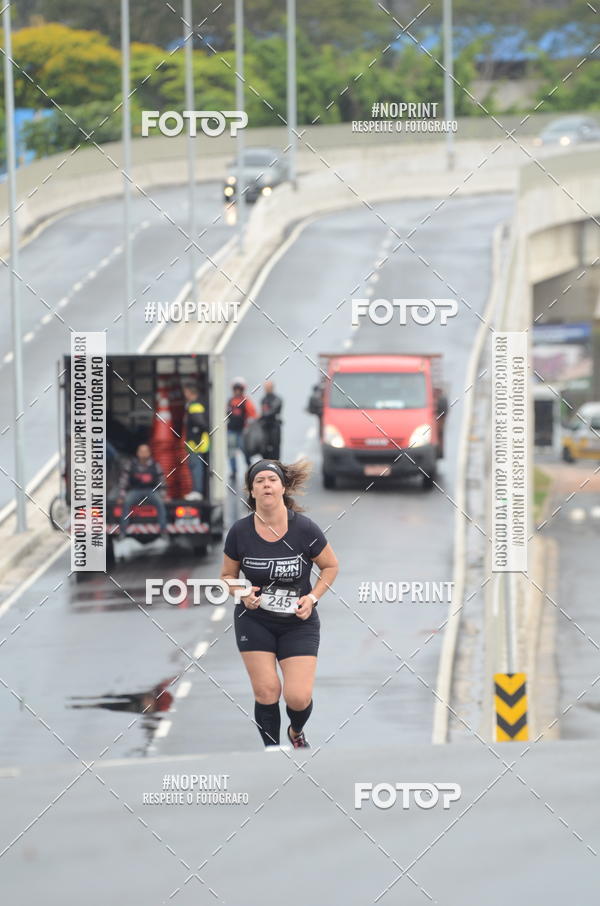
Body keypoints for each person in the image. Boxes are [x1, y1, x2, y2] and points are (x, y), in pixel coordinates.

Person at [220, 459, 339, 749]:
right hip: (255, 619)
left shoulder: (304, 529)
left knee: (297, 696)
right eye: (259, 481)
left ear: (282, 487)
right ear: (251, 491)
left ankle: (295, 731)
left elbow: (331, 567)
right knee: (267, 690)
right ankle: (273, 751)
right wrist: (242, 594)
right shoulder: (240, 532)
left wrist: (312, 598)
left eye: (271, 480)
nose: (266, 485)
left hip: (298, 623)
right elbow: (226, 576)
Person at [118, 443, 167, 538]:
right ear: (137, 453)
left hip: (151, 491)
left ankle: (163, 531)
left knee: (160, 503)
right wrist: (122, 496)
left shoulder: (155, 465)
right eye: (141, 451)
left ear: (149, 453)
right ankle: (123, 531)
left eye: (145, 451)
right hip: (135, 490)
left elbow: (162, 480)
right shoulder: (131, 464)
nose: (143, 453)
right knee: (127, 502)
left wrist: (163, 495)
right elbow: (123, 480)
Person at [182, 383, 210, 501]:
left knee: (195, 466)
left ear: (189, 392)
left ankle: (197, 492)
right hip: (198, 442)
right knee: (196, 466)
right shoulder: (199, 403)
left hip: (196, 443)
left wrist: (195, 436)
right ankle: (197, 491)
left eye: (185, 392)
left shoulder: (194, 405)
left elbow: (201, 423)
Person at [227, 378, 257, 481]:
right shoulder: (230, 401)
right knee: (231, 452)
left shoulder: (246, 401)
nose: (237, 391)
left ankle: (249, 467)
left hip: (241, 431)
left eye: (239, 389)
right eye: (236, 389)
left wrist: (248, 426)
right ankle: (233, 471)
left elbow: (253, 415)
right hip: (231, 430)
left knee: (245, 450)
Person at [259, 380, 283, 460]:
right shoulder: (263, 400)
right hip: (265, 426)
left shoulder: (277, 399)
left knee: (275, 447)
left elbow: (273, 411)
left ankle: (276, 464)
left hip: (274, 426)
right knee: (264, 447)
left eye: (268, 387)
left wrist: (264, 415)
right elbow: (262, 411)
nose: (266, 389)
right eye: (265, 388)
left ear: (272, 388)